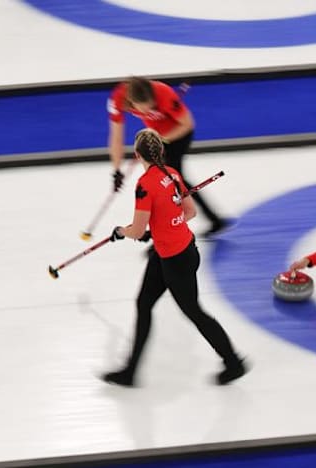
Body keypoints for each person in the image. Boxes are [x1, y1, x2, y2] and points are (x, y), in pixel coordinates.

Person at [103, 128, 246, 387]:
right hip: (176, 250)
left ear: (137, 155)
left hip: (175, 259)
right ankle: (130, 371)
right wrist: (155, 230)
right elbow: (188, 212)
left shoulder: (144, 185)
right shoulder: (173, 173)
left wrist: (121, 232)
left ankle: (234, 362)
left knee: (195, 313)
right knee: (144, 303)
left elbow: (135, 230)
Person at [107, 76, 227, 237]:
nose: (147, 112)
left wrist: (160, 140)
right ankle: (213, 219)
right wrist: (116, 171)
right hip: (159, 138)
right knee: (173, 181)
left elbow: (187, 124)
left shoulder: (163, 94)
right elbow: (116, 137)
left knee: (169, 182)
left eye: (151, 107)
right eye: (143, 110)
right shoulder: (118, 99)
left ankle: (166, 232)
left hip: (178, 135)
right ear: (131, 101)